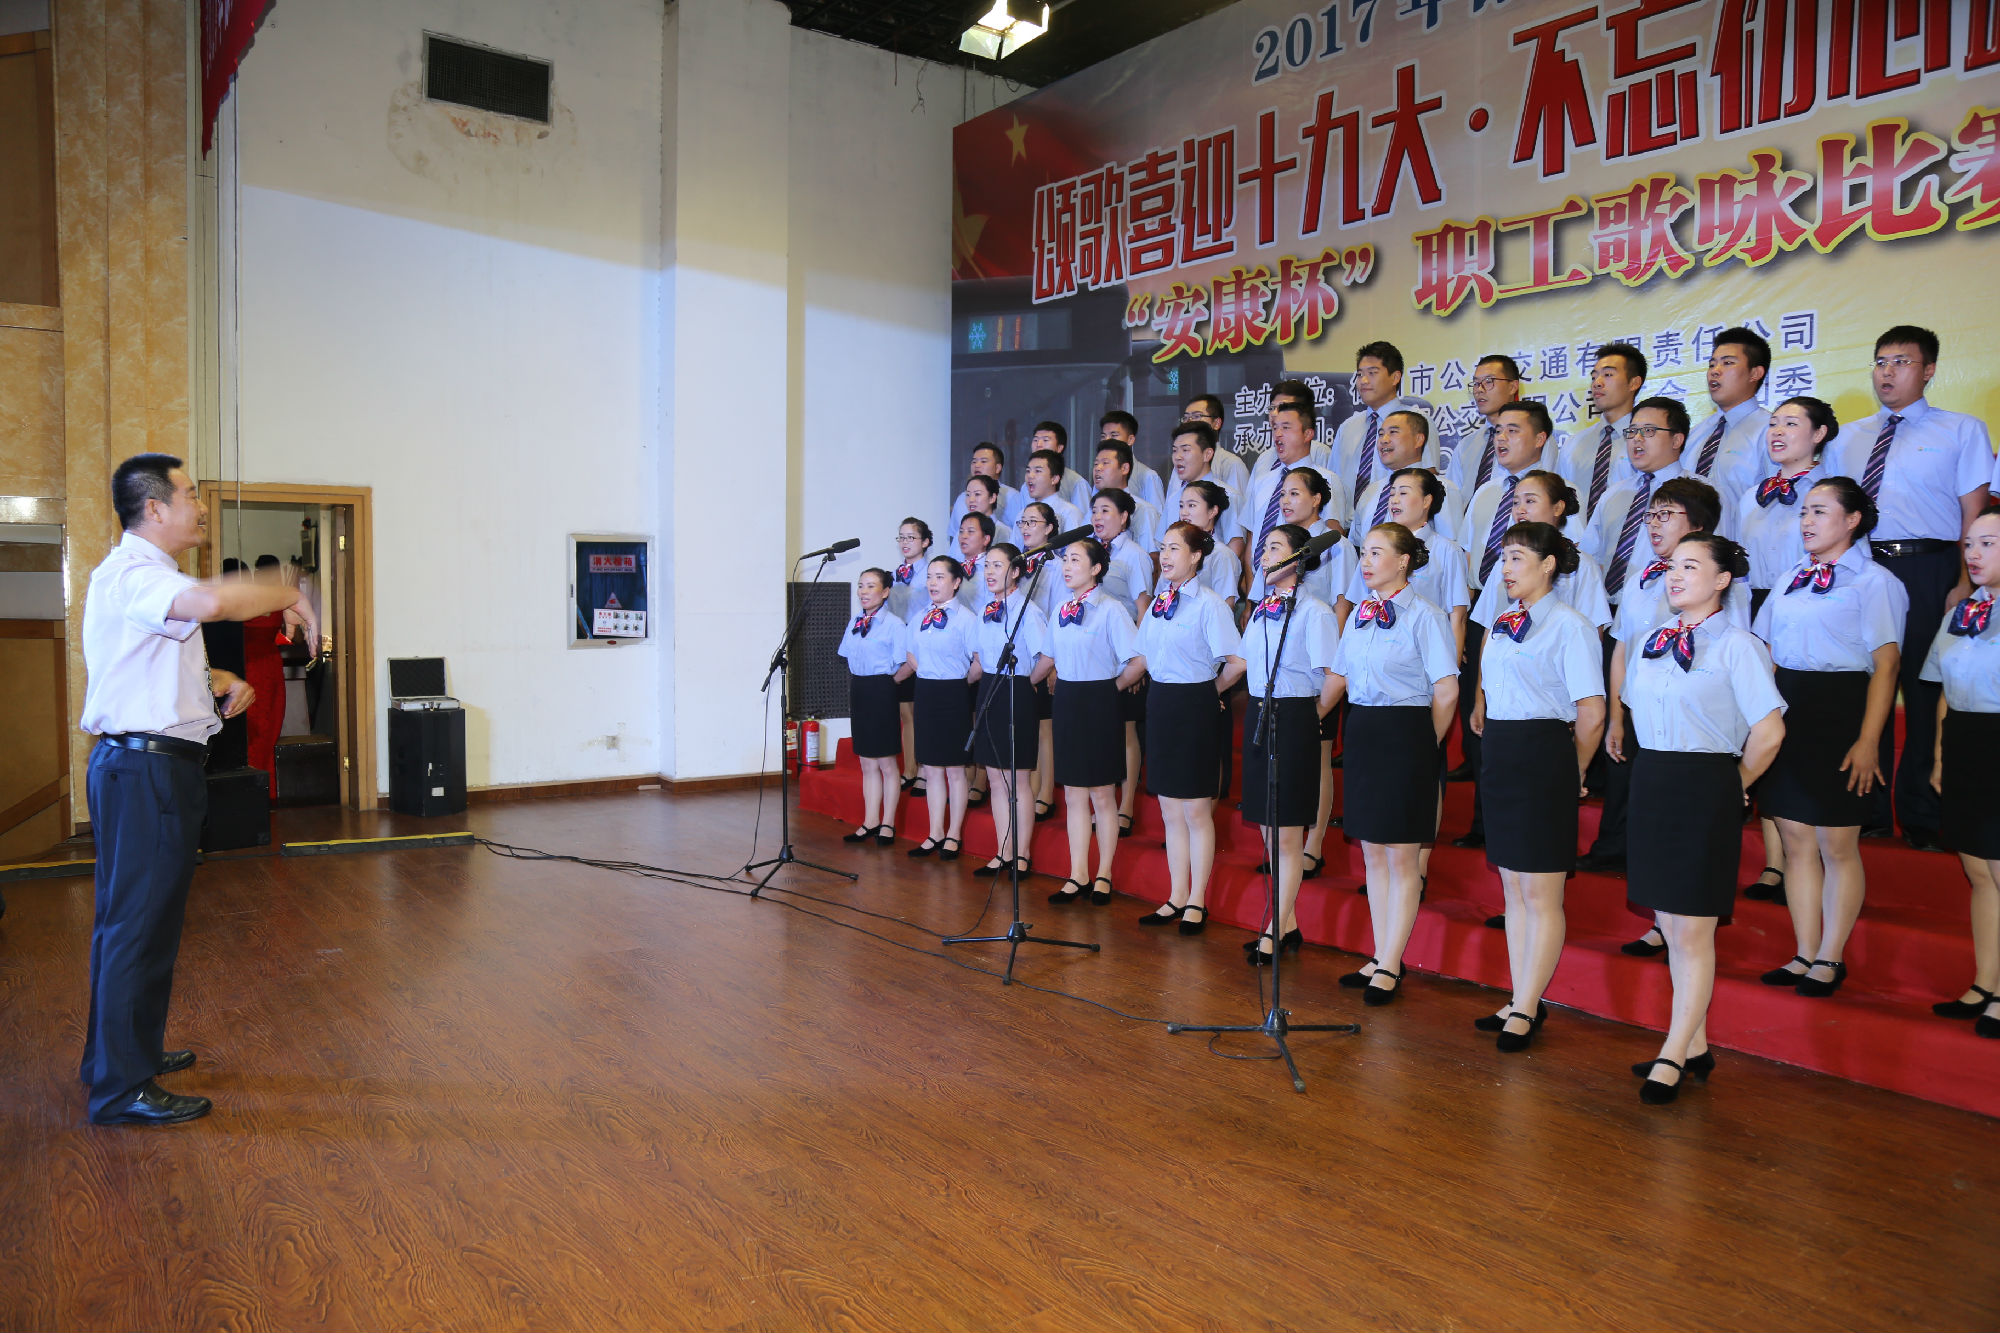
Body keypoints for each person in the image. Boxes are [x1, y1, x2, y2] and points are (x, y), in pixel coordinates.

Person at [78, 454, 310, 1126]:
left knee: (136, 923)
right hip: (146, 772)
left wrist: (217, 681)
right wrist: (288, 590)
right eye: (189, 494)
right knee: (137, 926)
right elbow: (210, 602)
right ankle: (120, 1087)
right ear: (154, 508)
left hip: (146, 766)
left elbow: (141, 668)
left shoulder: (145, 576)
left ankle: (120, 1057)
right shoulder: (136, 573)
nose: (201, 506)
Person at [1619, 534, 1786, 1104]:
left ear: (1721, 580)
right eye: (1672, 565)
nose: (1675, 575)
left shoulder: (1739, 646)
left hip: (1705, 783)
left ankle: (1672, 1052)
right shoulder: (1652, 639)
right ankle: (1695, 1045)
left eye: (1691, 566)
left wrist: (1735, 782)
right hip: (1654, 779)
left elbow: (1770, 731)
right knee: (1670, 923)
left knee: (1691, 930)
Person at [1824, 325, 1993, 852]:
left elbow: (1973, 513)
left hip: (1929, 566)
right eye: (1880, 362)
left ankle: (1922, 814)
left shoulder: (1961, 430)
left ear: (1929, 370)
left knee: (1924, 690)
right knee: (1861, 684)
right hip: (1862, 568)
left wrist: (1964, 581)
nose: (1887, 372)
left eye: (1901, 361)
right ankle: (1866, 808)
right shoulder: (1848, 438)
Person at [1751, 478, 1906, 997]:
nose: (1807, 521)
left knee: (1836, 843)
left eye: (1819, 511)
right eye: (1804, 512)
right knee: (1795, 839)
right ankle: (1804, 951)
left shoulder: (1875, 581)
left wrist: (1868, 740)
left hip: (1843, 710)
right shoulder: (1791, 577)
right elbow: (1767, 652)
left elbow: (1886, 666)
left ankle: (1830, 956)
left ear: (1853, 519)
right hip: (1790, 707)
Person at [1469, 521, 1606, 1050]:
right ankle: (1518, 995)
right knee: (1513, 888)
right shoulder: (1503, 622)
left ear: (1548, 565)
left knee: (1540, 892)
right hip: (1502, 752)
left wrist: (1575, 770)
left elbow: (1591, 711)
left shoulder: (1571, 626)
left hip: (1545, 754)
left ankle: (1528, 1005)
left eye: (1517, 559)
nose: (1505, 569)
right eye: (1503, 558)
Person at [1585, 476, 1746, 888]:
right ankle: (1619, 856)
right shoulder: (1640, 578)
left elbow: (1735, 654)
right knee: (1627, 786)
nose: (1654, 524)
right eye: (1651, 515)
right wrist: (1617, 716)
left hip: (1689, 714)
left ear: (1697, 525)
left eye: (1666, 515)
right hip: (1638, 704)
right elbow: (1621, 648)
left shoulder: (1724, 585)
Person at [1327, 523, 1460, 1004]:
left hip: (1407, 733)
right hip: (1364, 729)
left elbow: (1447, 690)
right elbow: (1340, 675)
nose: (1365, 561)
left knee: (1401, 857)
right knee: (1372, 852)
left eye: (1376, 553)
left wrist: (1427, 743)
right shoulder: (1360, 614)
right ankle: (1381, 954)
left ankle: (1390, 963)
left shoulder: (1426, 616)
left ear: (1403, 561)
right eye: (1363, 553)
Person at [1737, 396, 1837, 905]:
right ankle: (1775, 863)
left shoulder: (1830, 493)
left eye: (1791, 423)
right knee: (1761, 726)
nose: (1777, 431)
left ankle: (1808, 858)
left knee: (1794, 734)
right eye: (1773, 422)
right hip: (1754, 609)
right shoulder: (1752, 494)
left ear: (1819, 435)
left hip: (1806, 610)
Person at [1236, 524, 1342, 965]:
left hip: (1295, 713)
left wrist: (1310, 716)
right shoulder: (1263, 608)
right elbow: (1246, 662)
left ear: (1299, 557)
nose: (1264, 554)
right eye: (1264, 547)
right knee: (1267, 826)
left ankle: (1274, 927)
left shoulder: (1315, 611)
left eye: (1276, 547)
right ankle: (1288, 923)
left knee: (1286, 834)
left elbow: (1335, 676)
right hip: (1260, 712)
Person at [1133, 523, 1246, 934]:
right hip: (1161, 702)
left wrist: (1208, 691)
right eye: (1163, 548)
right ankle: (1175, 895)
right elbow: (1144, 656)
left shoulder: (1210, 605)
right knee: (1169, 809)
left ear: (1196, 556)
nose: (1165, 556)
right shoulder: (1159, 603)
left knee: (1196, 810)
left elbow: (1237, 663)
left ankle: (1197, 899)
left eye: (1175, 549)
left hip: (1196, 704)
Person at [1923, 502, 2000, 1036]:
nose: (1973, 554)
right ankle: (1985, 982)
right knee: (1979, 872)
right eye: (1969, 544)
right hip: (1966, 742)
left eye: (1988, 544)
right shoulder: (1965, 610)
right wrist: (1940, 755)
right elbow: (1945, 690)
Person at [1046, 538, 1143, 906]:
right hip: (1068, 700)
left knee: (1102, 794)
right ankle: (1077, 874)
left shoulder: (1111, 610)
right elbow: (1050, 657)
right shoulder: (1060, 609)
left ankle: (1104, 873)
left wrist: (1112, 688)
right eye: (1065, 560)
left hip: (1100, 700)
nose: (1067, 566)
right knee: (1073, 793)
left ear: (1096, 568)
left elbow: (1138, 660)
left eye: (1075, 559)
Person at [972, 544, 1054, 879]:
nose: (990, 572)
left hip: (1016, 689)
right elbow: (979, 656)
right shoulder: (984, 610)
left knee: (1018, 779)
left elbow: (1046, 657)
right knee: (994, 777)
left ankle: (1021, 854)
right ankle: (1002, 851)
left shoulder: (1029, 611)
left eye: (998, 565)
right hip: (989, 688)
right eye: (987, 565)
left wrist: (1026, 683)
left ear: (1017, 571)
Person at [903, 556, 982, 860]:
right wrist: (929, 672)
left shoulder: (966, 618)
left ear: (956, 582)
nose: (932, 583)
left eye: (940, 577)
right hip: (926, 691)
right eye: (930, 577)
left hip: (954, 693)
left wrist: (957, 682)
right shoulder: (920, 616)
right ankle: (935, 832)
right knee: (932, 768)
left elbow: (978, 662)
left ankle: (954, 834)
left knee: (954, 769)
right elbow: (910, 654)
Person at [836, 568, 911, 847]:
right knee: (866, 762)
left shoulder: (894, 624)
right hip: (859, 688)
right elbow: (846, 654)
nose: (864, 592)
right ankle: (869, 821)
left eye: (870, 586)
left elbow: (907, 662)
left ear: (885, 591)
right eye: (861, 586)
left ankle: (888, 823)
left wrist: (889, 683)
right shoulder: (856, 621)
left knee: (886, 763)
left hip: (882, 689)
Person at [1242, 402, 1345, 596]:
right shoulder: (1262, 481)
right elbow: (1252, 540)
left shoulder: (1326, 479)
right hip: (1261, 588)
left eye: (1286, 428)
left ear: (1308, 434)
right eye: (1275, 428)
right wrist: (1250, 596)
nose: (1278, 434)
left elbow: (1333, 535)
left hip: (1306, 588)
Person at [1013, 503, 1066, 823]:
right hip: (1020, 656)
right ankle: (1028, 788)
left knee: (1044, 727)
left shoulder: (1057, 567)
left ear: (1049, 528)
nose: (1026, 527)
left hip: (1045, 655)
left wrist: (1054, 663)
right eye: (1023, 522)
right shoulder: (1017, 564)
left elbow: (1058, 614)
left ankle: (1046, 791)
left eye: (1033, 522)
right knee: (1026, 726)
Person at [1332, 341, 1436, 504]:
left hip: (1395, 515)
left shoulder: (1416, 421)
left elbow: (1429, 476)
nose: (1363, 381)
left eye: (1372, 373)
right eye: (1359, 374)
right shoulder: (1348, 427)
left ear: (1395, 377)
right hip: (1349, 519)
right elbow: (1334, 482)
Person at [1350, 409, 1465, 546]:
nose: (1384, 440)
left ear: (1418, 440)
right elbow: (1357, 543)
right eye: (1380, 434)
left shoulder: (1440, 488)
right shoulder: (1371, 491)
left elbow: (1451, 546)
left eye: (1393, 432)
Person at [1689, 327, 1776, 503]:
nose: (1715, 371)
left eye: (1727, 363)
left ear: (1755, 373)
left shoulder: (1771, 432)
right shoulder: (1695, 434)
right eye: (1712, 365)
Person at [1446, 355, 1548, 495]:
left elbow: (1550, 489)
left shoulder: (1537, 439)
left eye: (1489, 381)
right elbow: (1452, 497)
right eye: (1475, 383)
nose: (1479, 389)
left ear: (1513, 386)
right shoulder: (1466, 445)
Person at [888, 518, 933, 795]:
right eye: (901, 537)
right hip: (901, 647)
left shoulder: (931, 572)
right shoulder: (895, 574)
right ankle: (910, 769)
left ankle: (925, 771)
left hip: (923, 645)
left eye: (911, 537)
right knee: (905, 713)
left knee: (921, 713)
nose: (905, 543)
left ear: (925, 542)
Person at [1162, 420, 1246, 562]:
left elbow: (1235, 548)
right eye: (1175, 450)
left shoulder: (1230, 495)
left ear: (1207, 454)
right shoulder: (1173, 498)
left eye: (1185, 450)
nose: (1177, 457)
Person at [242, 554, 289, 796]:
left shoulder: (247, 598)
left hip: (250, 664)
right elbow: (288, 633)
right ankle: (266, 789)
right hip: (269, 664)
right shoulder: (280, 598)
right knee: (267, 726)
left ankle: (253, 789)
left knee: (256, 729)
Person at [1172, 480, 1244, 605]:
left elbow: (1225, 607)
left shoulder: (1221, 555)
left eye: (1191, 505)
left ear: (1212, 511)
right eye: (1181, 506)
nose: (1184, 513)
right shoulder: (1173, 549)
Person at [1094, 440, 1165, 552]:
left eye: (1105, 463)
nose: (1098, 468)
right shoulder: (1092, 510)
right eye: (1096, 464)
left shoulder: (1144, 511)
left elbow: (1153, 557)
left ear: (1124, 468)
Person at [945, 442, 1025, 533]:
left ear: (997, 468)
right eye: (974, 461)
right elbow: (954, 534)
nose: (977, 465)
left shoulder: (1011, 496)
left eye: (983, 461)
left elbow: (1021, 532)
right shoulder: (962, 498)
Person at [1180, 393, 1252, 494]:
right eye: (1186, 418)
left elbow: (1238, 503)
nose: (1189, 422)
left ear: (1217, 423)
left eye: (1196, 416)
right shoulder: (1180, 465)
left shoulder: (1232, 465)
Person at [1097, 410, 1167, 510]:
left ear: (1130, 440)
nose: (1107, 440)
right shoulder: (1100, 473)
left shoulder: (1148, 476)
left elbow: (1157, 515)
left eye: (1114, 435)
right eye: (1103, 436)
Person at [1029, 420, 1096, 514]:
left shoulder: (1076, 482)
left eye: (1045, 440)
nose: (1039, 445)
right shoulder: (1027, 484)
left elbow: (1084, 519)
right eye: (1035, 440)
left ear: (1059, 447)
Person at [948, 476, 1016, 558]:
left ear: (992, 498)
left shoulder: (1003, 531)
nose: (971, 499)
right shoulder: (962, 531)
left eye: (977, 494)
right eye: (968, 494)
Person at [1021, 448, 1084, 533]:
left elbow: (1075, 542)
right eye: (1028, 471)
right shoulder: (1022, 514)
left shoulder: (1069, 513)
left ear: (1054, 479)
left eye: (1038, 471)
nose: (1030, 476)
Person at [954, 513, 996, 611]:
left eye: (971, 531)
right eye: (961, 531)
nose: (964, 536)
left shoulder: (991, 569)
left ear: (986, 539)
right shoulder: (954, 568)